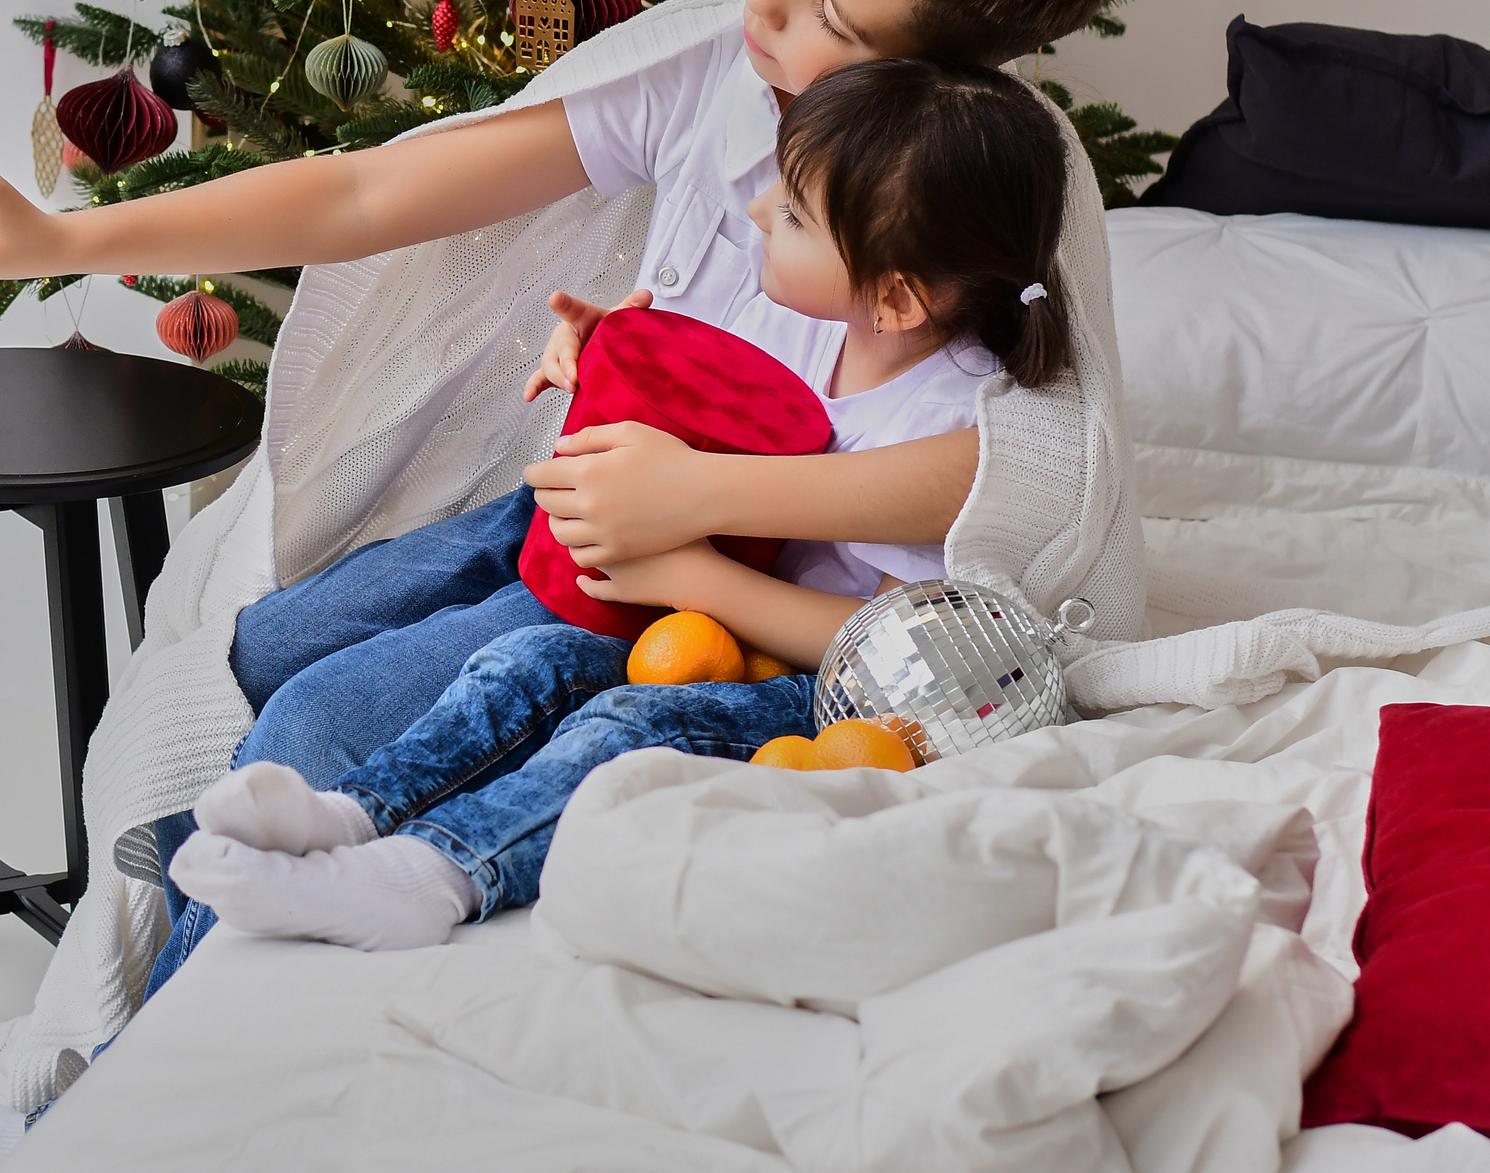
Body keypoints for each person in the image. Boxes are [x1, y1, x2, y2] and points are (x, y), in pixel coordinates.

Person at [0, 0, 1122, 989]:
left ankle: (131, 1052)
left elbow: (1019, 467)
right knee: (275, 635)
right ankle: (162, 904)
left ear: (940, 78)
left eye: (835, 21)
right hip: (592, 516)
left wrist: (699, 499)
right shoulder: (709, 88)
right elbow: (368, 193)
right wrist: (63, 238)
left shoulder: (981, 182)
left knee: (315, 720)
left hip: (681, 601)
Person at [164, 59, 1073, 950]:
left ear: (897, 295)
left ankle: (439, 875)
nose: (757, 211)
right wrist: (615, 354)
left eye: (792, 212)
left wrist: (693, 575)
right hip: (694, 621)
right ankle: (355, 815)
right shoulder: (826, 323)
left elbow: (873, 649)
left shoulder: (950, 421)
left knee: (633, 725)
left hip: (814, 692)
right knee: (527, 657)